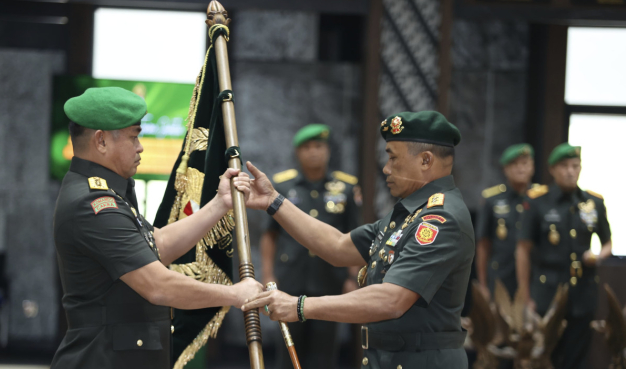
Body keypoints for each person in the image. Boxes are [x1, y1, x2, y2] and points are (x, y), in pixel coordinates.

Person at [50, 87, 262, 369]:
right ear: (101, 141)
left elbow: (157, 245)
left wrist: (220, 203)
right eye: (134, 136)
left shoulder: (106, 192)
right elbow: (157, 285)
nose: (140, 147)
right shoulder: (93, 203)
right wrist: (235, 294)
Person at [244, 111, 474, 369]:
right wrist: (273, 202)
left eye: (393, 158)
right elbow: (339, 246)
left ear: (425, 160)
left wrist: (300, 306)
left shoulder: (440, 220)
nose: (386, 168)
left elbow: (392, 299)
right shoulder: (410, 214)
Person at [260, 124, 361, 369]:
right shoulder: (281, 187)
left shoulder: (346, 187)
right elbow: (269, 235)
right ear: (297, 152)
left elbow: (355, 237)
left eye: (319, 146)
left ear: (327, 150)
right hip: (290, 279)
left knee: (324, 355)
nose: (313, 152)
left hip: (330, 281)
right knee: (288, 351)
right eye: (307, 147)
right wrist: (268, 275)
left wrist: (351, 277)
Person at [516, 142, 612, 369]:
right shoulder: (537, 201)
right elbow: (522, 250)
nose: (571, 171)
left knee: (577, 357)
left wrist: (598, 256)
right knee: (546, 355)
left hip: (583, 291)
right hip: (547, 291)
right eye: (565, 166)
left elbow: (608, 242)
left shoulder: (593, 202)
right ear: (552, 169)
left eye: (575, 166)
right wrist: (525, 295)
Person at [476, 144, 535, 299]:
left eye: (525, 164)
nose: (520, 169)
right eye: (514, 165)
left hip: (535, 277)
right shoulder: (492, 199)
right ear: (505, 169)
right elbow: (483, 244)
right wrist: (482, 284)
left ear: (532, 167)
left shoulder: (541, 198)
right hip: (500, 275)